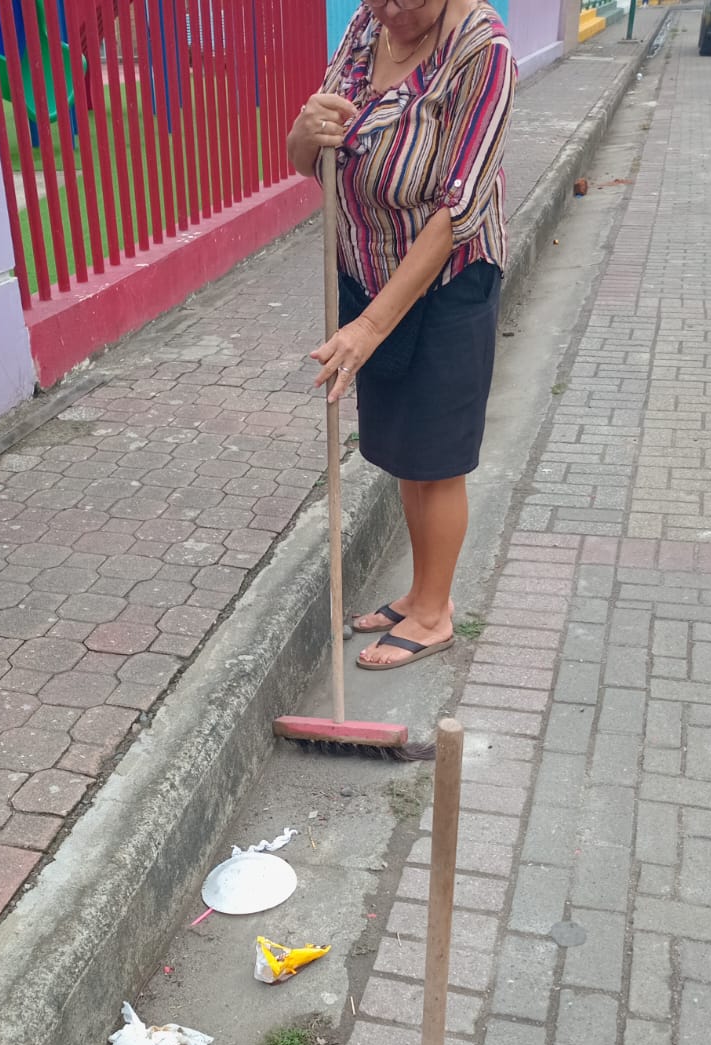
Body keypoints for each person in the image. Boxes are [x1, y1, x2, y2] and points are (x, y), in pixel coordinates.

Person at [287, 0, 515, 671]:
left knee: (437, 460)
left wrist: (368, 327)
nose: (390, 11)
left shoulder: (483, 50)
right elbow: (310, 160)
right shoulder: (366, 29)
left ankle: (436, 613)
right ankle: (419, 592)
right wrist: (303, 132)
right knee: (406, 452)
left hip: (447, 281)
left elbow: (459, 211)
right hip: (370, 273)